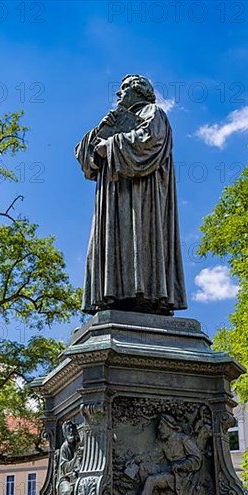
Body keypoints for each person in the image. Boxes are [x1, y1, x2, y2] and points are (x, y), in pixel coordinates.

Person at [76, 75, 187, 316]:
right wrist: (99, 133)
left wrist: (112, 144)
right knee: (112, 240)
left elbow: (150, 142)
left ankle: (146, 295)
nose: (118, 94)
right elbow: (85, 157)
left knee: (140, 238)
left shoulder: (152, 112)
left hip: (141, 195)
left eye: (124, 88)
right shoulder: (115, 117)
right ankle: (112, 294)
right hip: (113, 195)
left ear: (139, 90)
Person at [125, 414, 202, 495]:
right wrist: (138, 459)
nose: (159, 428)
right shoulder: (162, 442)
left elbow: (197, 459)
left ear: (169, 426)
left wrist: (181, 466)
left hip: (181, 477)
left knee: (151, 480)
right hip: (169, 470)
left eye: (161, 425)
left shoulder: (183, 439)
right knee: (143, 467)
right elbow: (153, 456)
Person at [56, 421, 82, 495]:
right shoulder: (64, 447)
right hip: (64, 480)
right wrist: (76, 456)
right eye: (68, 430)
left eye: (72, 429)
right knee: (67, 491)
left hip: (76, 477)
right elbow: (65, 468)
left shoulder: (78, 445)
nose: (71, 432)